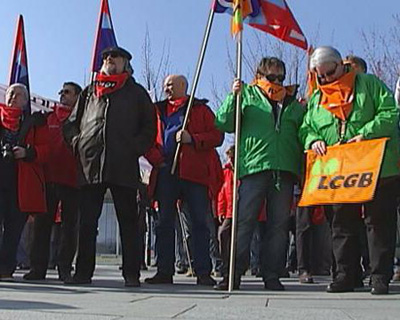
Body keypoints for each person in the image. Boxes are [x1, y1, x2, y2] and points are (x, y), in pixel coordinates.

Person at [299, 46, 399, 295]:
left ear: (341, 65)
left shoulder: (369, 84)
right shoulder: (317, 97)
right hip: (338, 171)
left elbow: (390, 113)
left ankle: (379, 277)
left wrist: (366, 133)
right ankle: (346, 275)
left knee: (378, 221)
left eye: (329, 73)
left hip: (377, 166)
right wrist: (313, 140)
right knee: (341, 222)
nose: (325, 79)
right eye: (319, 76)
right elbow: (306, 127)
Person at [63, 46, 156, 287]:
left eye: (114, 58)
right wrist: (78, 143)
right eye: (106, 58)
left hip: (123, 165)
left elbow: (149, 128)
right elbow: (71, 124)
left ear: (125, 63)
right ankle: (83, 273)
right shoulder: (89, 92)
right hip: (90, 166)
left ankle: (132, 274)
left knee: (128, 222)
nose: (109, 61)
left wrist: (134, 148)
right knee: (87, 223)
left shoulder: (137, 93)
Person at [215, 57, 305, 290]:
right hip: (254, 167)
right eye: (272, 77)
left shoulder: (293, 103)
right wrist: (232, 96)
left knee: (278, 226)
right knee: (244, 222)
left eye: (281, 78)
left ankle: (272, 274)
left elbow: (304, 133)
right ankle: (232, 274)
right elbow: (223, 123)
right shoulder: (247, 95)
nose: (277, 82)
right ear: (259, 76)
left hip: (283, 169)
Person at [144, 74, 223, 286]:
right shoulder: (156, 110)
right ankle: (164, 270)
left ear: (182, 86)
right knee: (164, 223)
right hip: (166, 170)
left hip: (194, 173)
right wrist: (156, 159)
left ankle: (203, 272)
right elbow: (147, 138)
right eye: (164, 85)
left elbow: (217, 136)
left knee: (199, 223)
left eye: (170, 85)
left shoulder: (200, 109)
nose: (166, 89)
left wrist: (193, 139)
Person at [24, 82, 82, 281]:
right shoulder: (47, 118)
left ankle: (64, 267)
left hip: (73, 180)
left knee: (69, 227)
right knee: (41, 226)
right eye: (61, 92)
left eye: (67, 92)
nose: (62, 95)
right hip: (48, 179)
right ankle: (37, 268)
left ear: (77, 97)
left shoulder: (83, 119)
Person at [0, 83, 49, 280]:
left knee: (13, 229)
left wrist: (28, 152)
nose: (13, 97)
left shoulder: (34, 123)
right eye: (11, 93)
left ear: (26, 101)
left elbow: (47, 151)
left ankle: (5, 268)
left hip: (20, 184)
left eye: (18, 94)